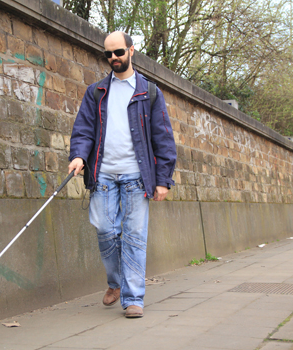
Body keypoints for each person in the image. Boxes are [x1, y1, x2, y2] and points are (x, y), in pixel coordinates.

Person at [68, 31, 177, 318]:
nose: (114, 58)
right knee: (105, 229)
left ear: (131, 50)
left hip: (136, 177)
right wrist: (78, 155)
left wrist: (163, 180)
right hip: (103, 175)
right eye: (108, 54)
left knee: (134, 237)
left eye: (118, 52)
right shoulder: (96, 92)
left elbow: (163, 139)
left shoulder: (149, 92)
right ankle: (115, 282)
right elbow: (83, 129)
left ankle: (133, 299)